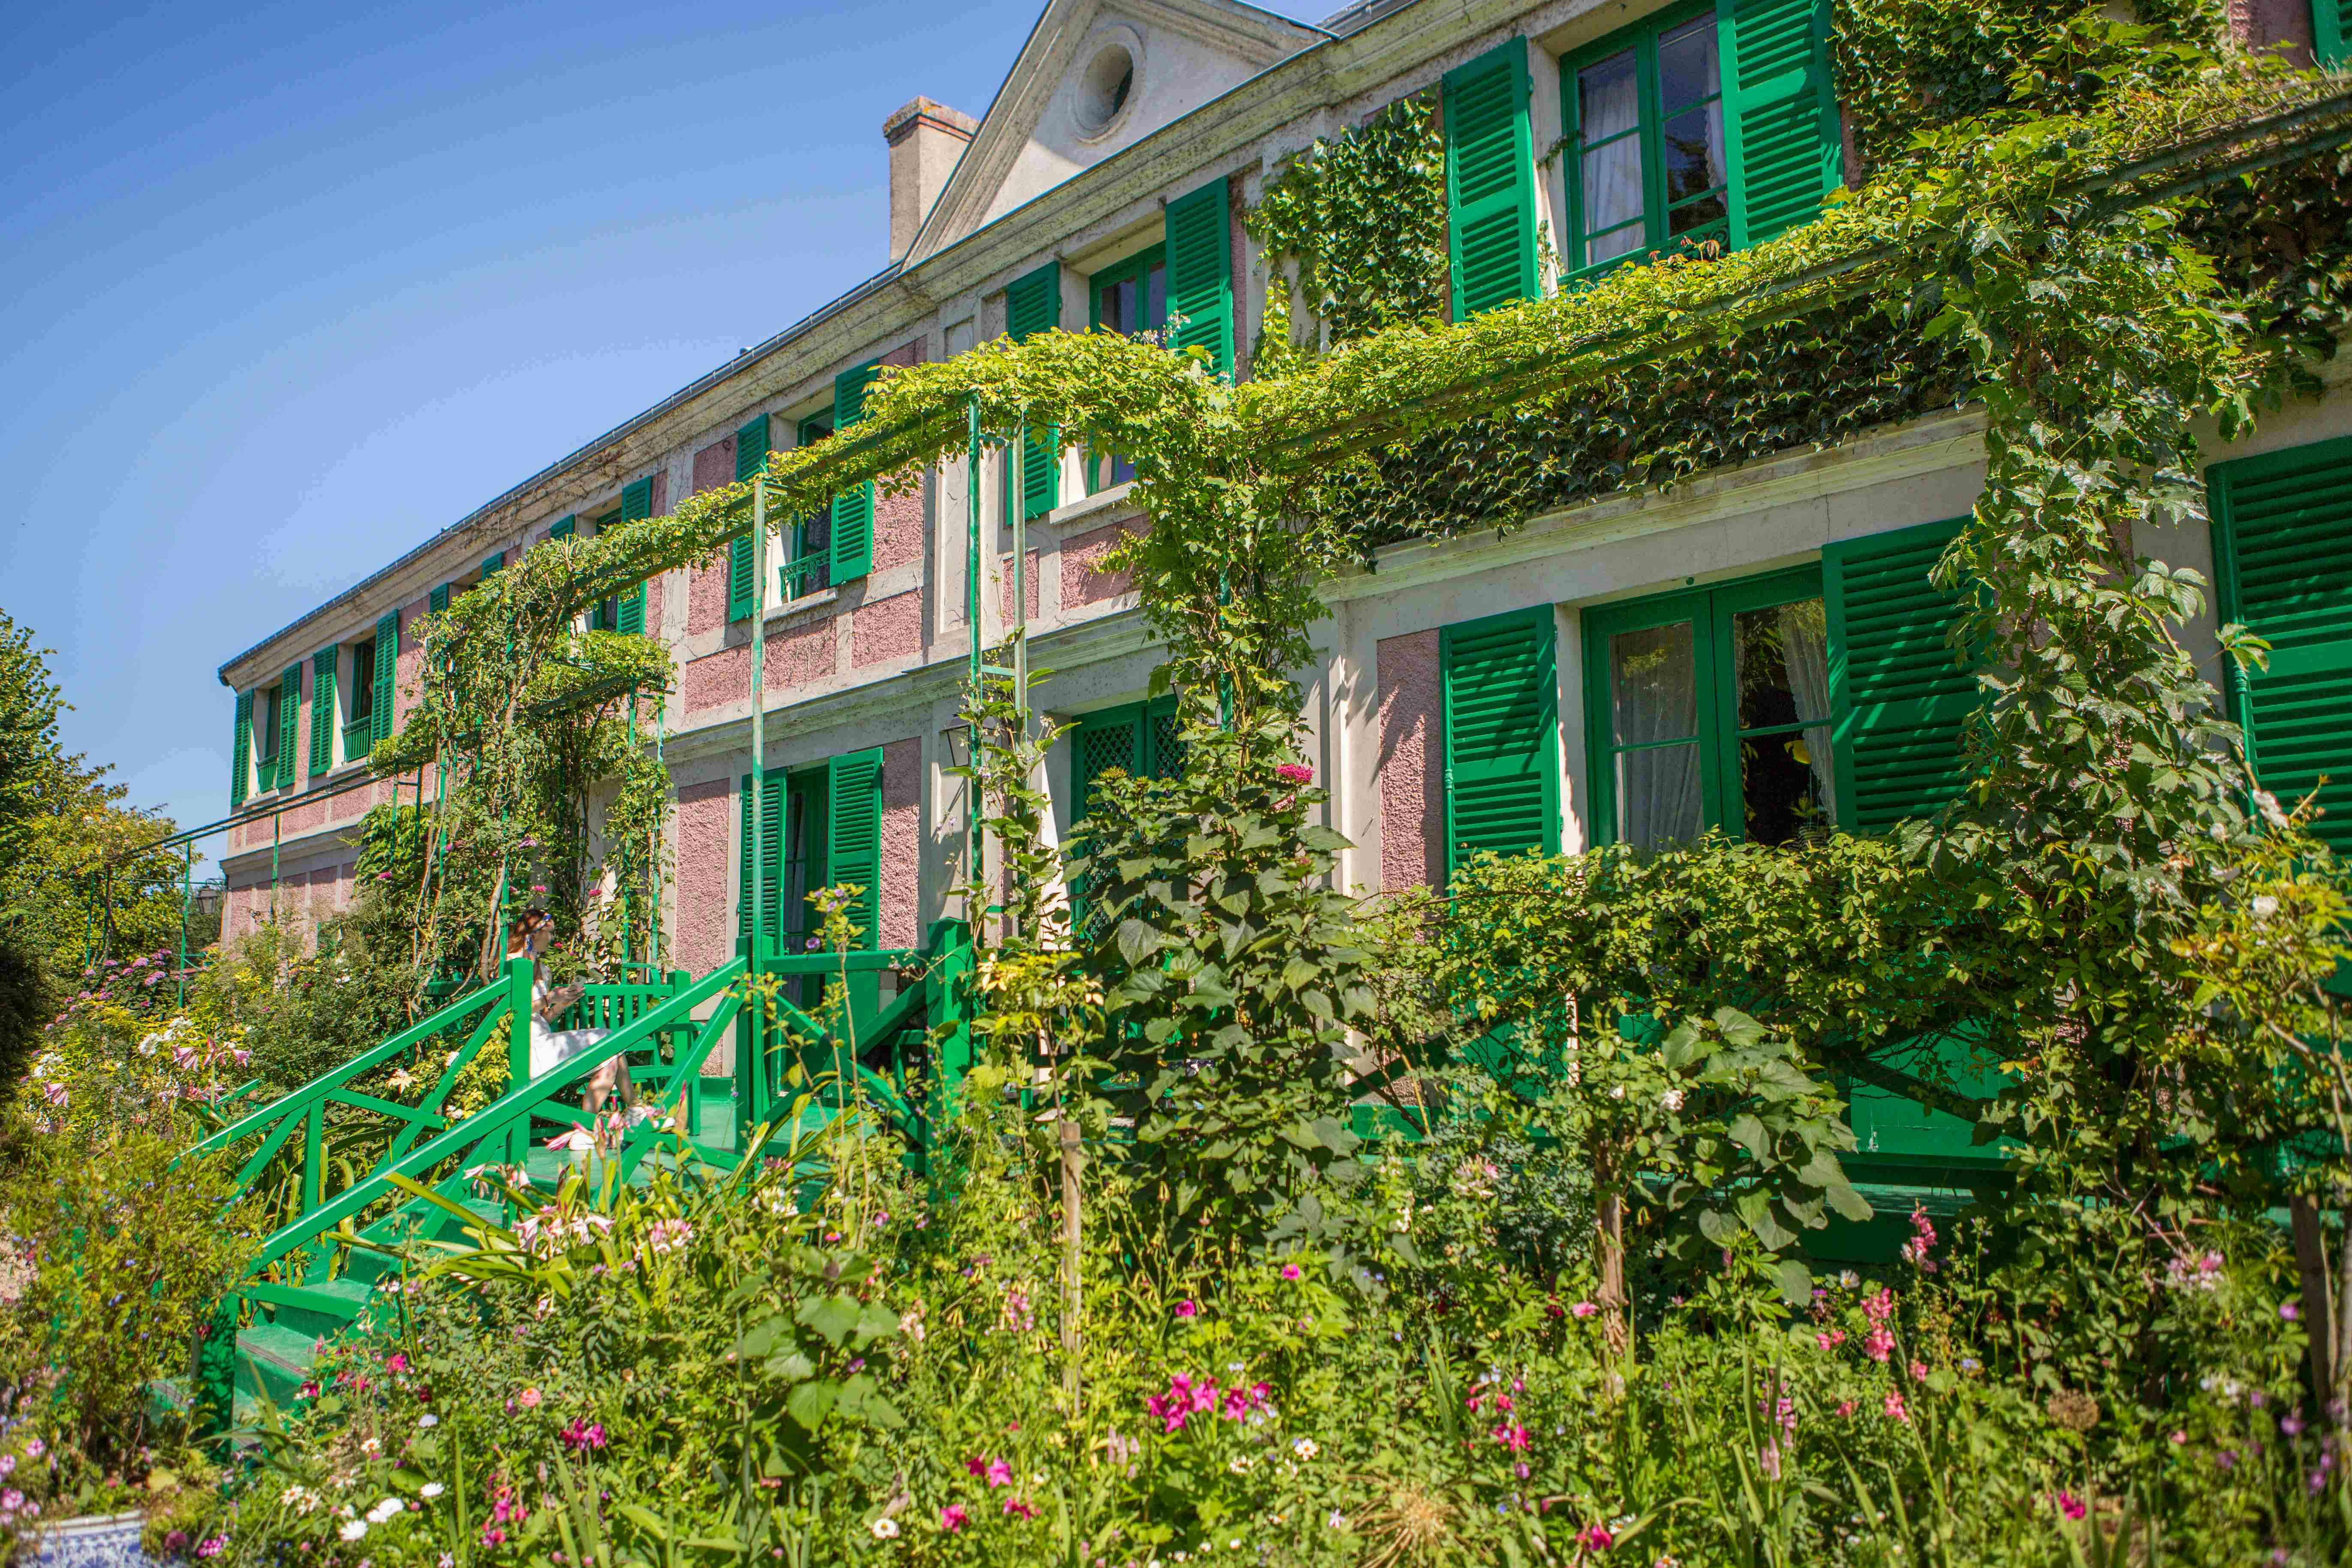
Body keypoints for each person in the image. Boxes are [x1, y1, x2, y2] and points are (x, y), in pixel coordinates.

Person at [506, 909, 641, 1138]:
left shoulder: (542, 969)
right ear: (534, 933)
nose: (551, 938)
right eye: (549, 933)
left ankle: (584, 1132)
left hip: (544, 1040)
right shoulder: (513, 963)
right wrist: (550, 998)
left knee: (610, 1055)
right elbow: (514, 1012)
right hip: (527, 1048)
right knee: (609, 1040)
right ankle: (634, 1110)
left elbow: (544, 1018)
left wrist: (562, 1004)